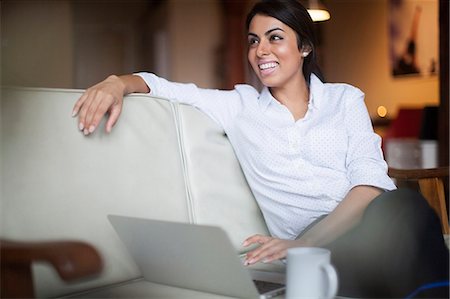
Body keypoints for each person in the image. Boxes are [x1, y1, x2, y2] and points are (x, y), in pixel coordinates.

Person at [72, 0, 449, 297]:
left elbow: (369, 183)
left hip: (366, 222)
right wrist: (115, 82)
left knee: (405, 207)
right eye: (253, 40)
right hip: (321, 247)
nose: (260, 50)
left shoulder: (345, 100)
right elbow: (164, 86)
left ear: (303, 46)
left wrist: (302, 244)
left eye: (274, 37)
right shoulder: (239, 106)